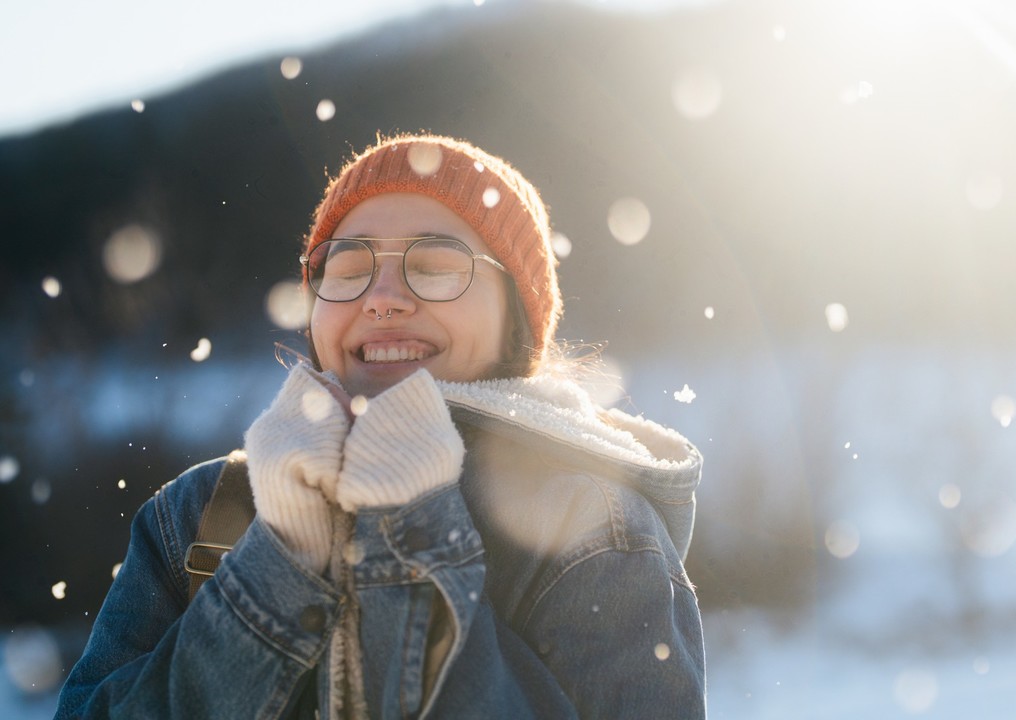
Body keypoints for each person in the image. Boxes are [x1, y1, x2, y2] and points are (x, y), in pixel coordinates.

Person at [55, 134, 705, 718]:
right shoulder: (197, 511)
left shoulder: (591, 524)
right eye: (347, 268)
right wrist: (279, 562)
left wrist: (409, 531)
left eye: (435, 265)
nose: (382, 296)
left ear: (518, 324)